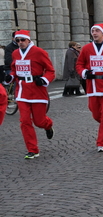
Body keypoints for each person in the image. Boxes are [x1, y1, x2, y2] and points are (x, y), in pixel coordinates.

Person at [4, 29, 55, 159]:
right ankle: (32, 149)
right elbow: (15, 69)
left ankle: (48, 125)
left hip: (37, 90)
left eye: (22, 40)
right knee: (24, 121)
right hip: (21, 91)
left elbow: (50, 71)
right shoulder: (15, 53)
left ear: (28, 40)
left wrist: (44, 79)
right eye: (18, 40)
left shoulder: (39, 52)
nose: (20, 42)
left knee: (39, 121)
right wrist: (11, 76)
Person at [76, 23, 103, 152]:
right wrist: (84, 72)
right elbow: (79, 64)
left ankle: (101, 143)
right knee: (95, 113)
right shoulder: (86, 48)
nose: (94, 33)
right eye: (93, 31)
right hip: (93, 86)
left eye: (97, 31)